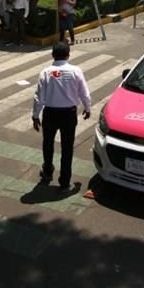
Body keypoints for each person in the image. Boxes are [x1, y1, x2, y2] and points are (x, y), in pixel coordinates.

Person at [32, 40, 91, 192]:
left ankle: (47, 171)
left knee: (48, 143)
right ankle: (64, 182)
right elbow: (84, 92)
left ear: (53, 55)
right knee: (67, 147)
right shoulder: (76, 71)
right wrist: (87, 107)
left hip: (50, 113)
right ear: (68, 55)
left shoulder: (46, 72)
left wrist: (35, 115)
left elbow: (39, 97)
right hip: (68, 114)